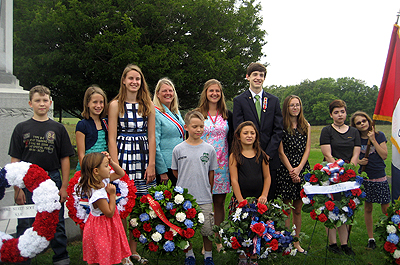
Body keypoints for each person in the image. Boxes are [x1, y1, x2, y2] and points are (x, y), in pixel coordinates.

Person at [8, 85, 74, 265]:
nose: (42, 104)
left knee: (56, 222)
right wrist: (17, 188)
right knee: (26, 221)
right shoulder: (21, 128)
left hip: (51, 179)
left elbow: (65, 159)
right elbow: (16, 160)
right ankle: (23, 257)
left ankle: (60, 256)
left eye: (45, 100)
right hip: (27, 183)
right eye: (38, 100)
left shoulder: (58, 129)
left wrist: (63, 187)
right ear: (30, 103)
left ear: (50, 103)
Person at [108, 64, 156, 264]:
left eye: (138, 79)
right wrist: (115, 165)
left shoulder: (148, 105)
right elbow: (112, 137)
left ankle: (134, 251)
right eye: (131, 78)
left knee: (136, 206)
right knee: (121, 206)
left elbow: (152, 136)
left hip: (143, 155)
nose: (134, 82)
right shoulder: (114, 105)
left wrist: (151, 163)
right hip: (123, 156)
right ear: (124, 81)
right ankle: (122, 252)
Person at [171, 110, 218, 265]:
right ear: (186, 127)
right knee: (186, 228)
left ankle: (208, 256)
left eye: (201, 126)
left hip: (204, 196)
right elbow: (176, 171)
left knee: (207, 230)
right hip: (184, 198)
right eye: (195, 126)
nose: (198, 130)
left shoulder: (209, 149)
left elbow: (211, 172)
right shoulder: (178, 149)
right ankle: (189, 255)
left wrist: (207, 188)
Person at [233, 62, 283, 201]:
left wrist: (267, 153)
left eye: (261, 75)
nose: (258, 78)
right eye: (255, 74)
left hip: (269, 157)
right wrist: (252, 152)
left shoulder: (273, 100)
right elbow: (239, 129)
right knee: (248, 202)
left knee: (269, 201)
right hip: (247, 159)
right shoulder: (239, 101)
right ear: (248, 77)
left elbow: (278, 129)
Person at [196, 79, 233, 252]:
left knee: (219, 203)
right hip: (203, 164)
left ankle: (217, 238)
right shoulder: (198, 114)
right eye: (211, 91)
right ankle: (206, 243)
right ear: (205, 93)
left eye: (217, 91)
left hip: (223, 165)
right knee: (205, 205)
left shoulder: (226, 114)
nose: (214, 94)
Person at [320, 99, 361, 256]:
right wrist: (339, 169)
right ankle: (332, 243)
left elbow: (356, 153)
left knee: (345, 208)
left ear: (346, 113)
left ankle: (344, 244)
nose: (339, 115)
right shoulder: (327, 131)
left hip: (348, 176)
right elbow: (327, 154)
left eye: (342, 111)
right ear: (331, 115)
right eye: (336, 112)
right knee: (330, 207)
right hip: (331, 175)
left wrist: (350, 170)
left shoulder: (354, 132)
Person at [78, 152, 132, 265]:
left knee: (105, 254)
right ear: (96, 171)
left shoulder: (103, 181)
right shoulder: (98, 195)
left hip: (105, 225)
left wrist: (111, 161)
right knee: (102, 255)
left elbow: (120, 173)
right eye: (106, 166)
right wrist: (112, 195)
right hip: (101, 227)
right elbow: (109, 213)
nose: (109, 169)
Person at [229, 121, 271, 265]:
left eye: (252, 133)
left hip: (258, 201)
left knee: (256, 228)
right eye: (245, 133)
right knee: (241, 228)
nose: (249, 135)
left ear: (256, 136)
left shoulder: (262, 155)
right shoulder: (234, 156)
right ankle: (241, 255)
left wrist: (264, 195)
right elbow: (234, 180)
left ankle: (254, 256)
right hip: (241, 201)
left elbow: (267, 177)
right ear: (238, 136)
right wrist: (241, 200)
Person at [350, 111, 390, 250]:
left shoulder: (379, 136)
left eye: (364, 121)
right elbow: (352, 158)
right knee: (368, 208)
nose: (362, 124)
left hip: (379, 175)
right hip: (365, 177)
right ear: (355, 126)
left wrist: (373, 140)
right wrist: (359, 161)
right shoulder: (355, 139)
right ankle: (371, 238)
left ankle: (390, 236)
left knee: (385, 208)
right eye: (358, 123)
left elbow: (384, 155)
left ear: (368, 121)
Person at [276, 95, 310, 254]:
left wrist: (299, 169)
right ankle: (286, 241)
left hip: (302, 168)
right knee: (286, 208)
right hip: (286, 168)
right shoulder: (281, 125)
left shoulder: (306, 125)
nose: (295, 108)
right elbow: (281, 152)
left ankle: (296, 241)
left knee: (298, 209)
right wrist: (291, 170)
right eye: (292, 105)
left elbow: (307, 150)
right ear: (286, 108)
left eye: (297, 105)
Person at [153, 77, 185, 186]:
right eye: (164, 91)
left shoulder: (176, 112)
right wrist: (161, 170)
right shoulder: (155, 113)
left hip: (179, 162)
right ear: (158, 94)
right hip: (166, 165)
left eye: (170, 90)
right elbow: (154, 143)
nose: (168, 93)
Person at [75, 85, 109, 170]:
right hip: (88, 168)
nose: (98, 106)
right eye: (95, 102)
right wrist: (86, 173)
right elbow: (81, 154)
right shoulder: (82, 125)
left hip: (102, 169)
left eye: (101, 102)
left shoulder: (106, 123)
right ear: (87, 103)